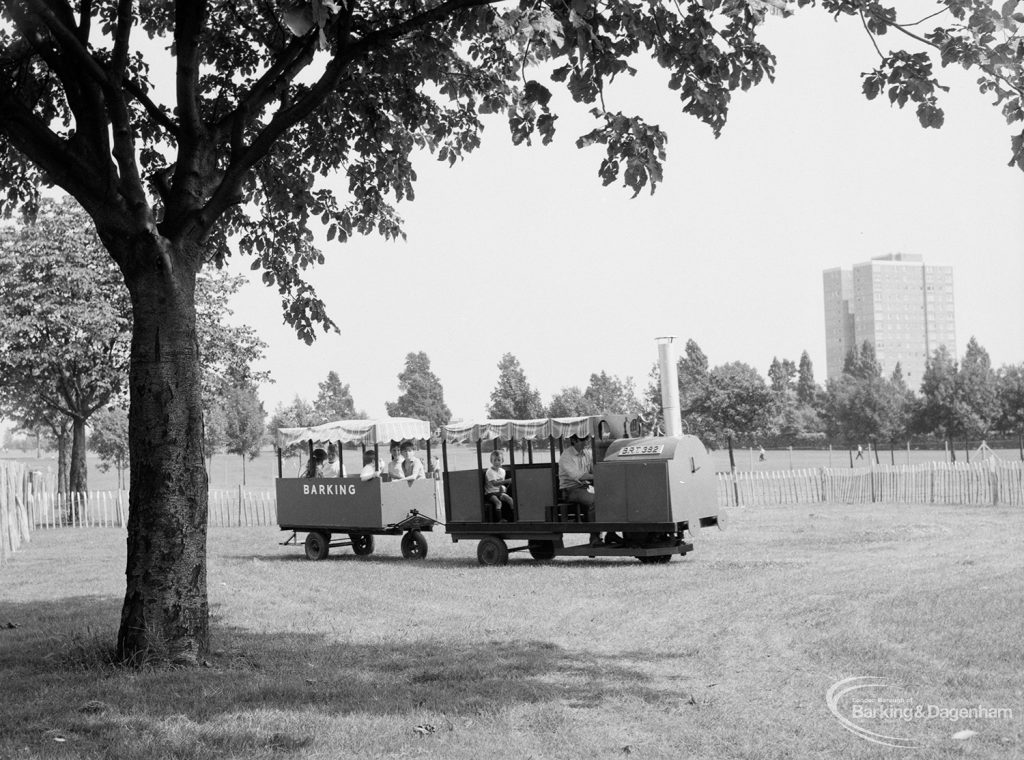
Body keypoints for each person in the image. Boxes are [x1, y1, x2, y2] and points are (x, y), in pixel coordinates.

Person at [559, 434, 619, 546]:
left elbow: (594, 469)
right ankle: (594, 538)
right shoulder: (566, 456)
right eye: (582, 440)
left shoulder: (587, 453)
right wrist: (598, 476)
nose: (585, 442)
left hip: (585, 487)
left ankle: (611, 533)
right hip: (571, 490)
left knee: (611, 498)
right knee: (595, 501)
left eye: (586, 439)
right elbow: (577, 475)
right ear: (573, 440)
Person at [484, 450, 515, 522]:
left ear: (502, 461)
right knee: (498, 502)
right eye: (494, 460)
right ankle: (499, 521)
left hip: (499, 492)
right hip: (489, 493)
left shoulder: (502, 471)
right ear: (491, 461)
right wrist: (507, 481)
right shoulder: (489, 471)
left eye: (499, 460)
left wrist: (503, 488)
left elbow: (501, 484)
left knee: (510, 499)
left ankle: (513, 519)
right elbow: (494, 483)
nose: (497, 462)